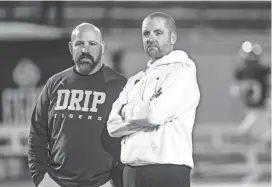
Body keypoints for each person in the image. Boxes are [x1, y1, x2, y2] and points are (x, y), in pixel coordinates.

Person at [107, 12, 200, 187]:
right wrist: (145, 116)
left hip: (167, 171)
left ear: (172, 37)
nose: (150, 38)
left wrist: (127, 111)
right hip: (131, 171)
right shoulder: (135, 80)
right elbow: (112, 125)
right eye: (146, 33)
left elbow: (155, 114)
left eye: (158, 33)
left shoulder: (182, 71)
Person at [28, 23, 127, 187]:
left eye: (92, 44)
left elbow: (130, 137)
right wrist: (40, 177)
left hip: (103, 182)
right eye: (79, 43)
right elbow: (37, 132)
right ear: (70, 47)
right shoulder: (55, 84)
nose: (85, 50)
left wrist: (116, 181)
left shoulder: (120, 85)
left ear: (102, 47)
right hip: (55, 182)